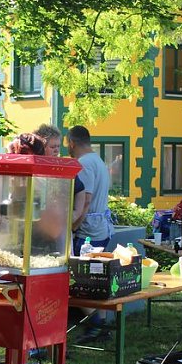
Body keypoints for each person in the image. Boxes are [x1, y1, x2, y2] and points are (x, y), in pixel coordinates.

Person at [66, 125, 114, 343]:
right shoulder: (99, 161)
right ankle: (101, 323)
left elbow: (84, 200)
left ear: (72, 143)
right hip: (101, 227)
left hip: (87, 230)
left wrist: (73, 226)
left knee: (77, 278)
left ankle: (96, 323)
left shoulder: (83, 164)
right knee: (96, 279)